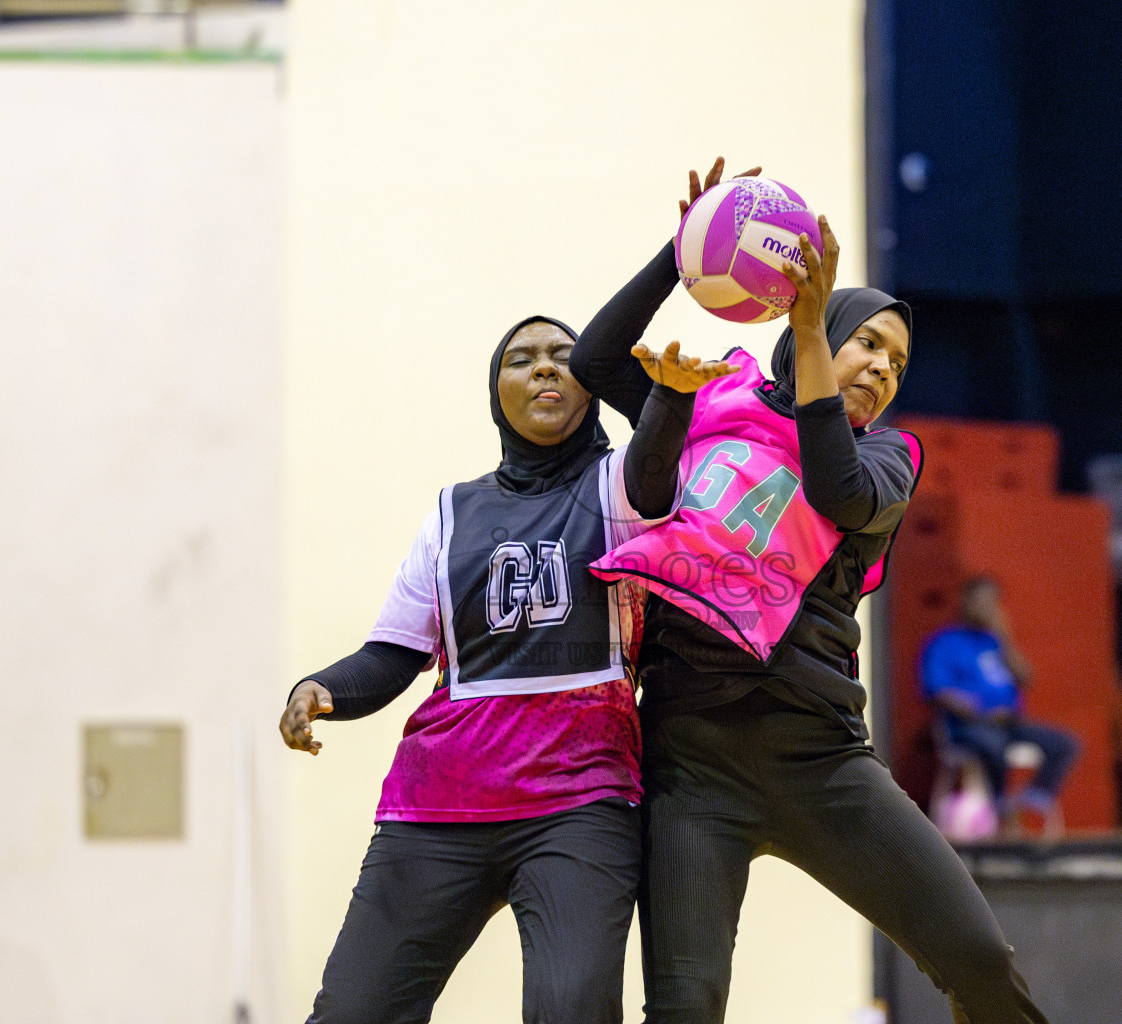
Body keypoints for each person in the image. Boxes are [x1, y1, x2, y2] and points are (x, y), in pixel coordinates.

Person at [572, 159, 1051, 1024]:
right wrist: (682, 253)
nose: (882, 369)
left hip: (821, 758)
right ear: (830, 330)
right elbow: (595, 357)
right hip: (694, 761)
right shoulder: (709, 399)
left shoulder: (889, 458)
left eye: (897, 365)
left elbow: (836, 490)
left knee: (978, 959)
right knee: (684, 1007)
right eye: (868, 342)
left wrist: (805, 331)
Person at [278, 316, 728, 1024]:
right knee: (351, 1014)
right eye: (522, 359)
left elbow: (653, 463)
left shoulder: (620, 487)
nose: (545, 368)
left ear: (590, 386)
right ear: (498, 392)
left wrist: (669, 398)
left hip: (578, 801)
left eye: (563, 356)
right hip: (438, 804)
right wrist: (322, 687)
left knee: (571, 1009)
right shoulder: (452, 513)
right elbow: (394, 654)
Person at [921, 575, 1080, 827]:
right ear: (965, 601)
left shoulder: (997, 641)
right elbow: (938, 691)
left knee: (1064, 743)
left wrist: (1005, 637)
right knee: (993, 746)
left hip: (1008, 724)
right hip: (969, 726)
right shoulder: (945, 642)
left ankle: (1031, 801)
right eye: (980, 600)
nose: (986, 607)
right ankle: (1000, 808)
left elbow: (1026, 678)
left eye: (992, 601)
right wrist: (982, 713)